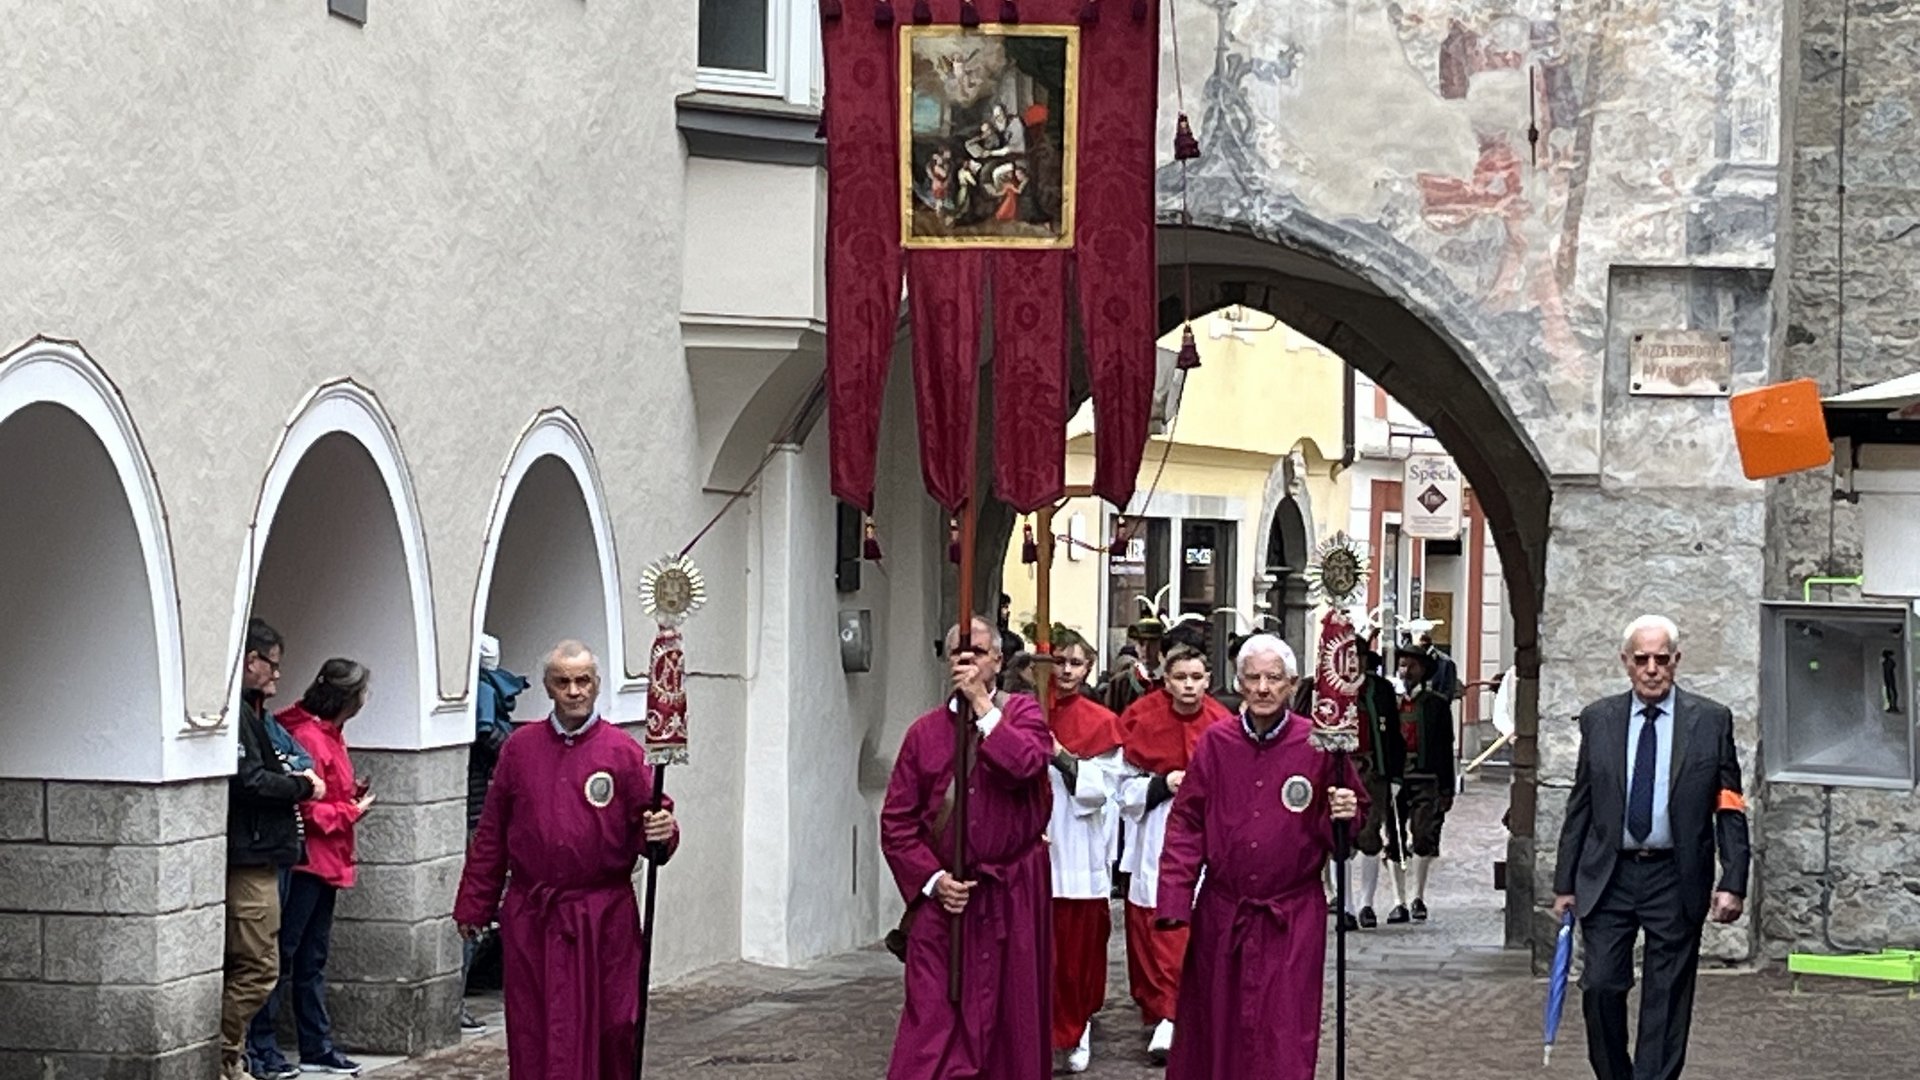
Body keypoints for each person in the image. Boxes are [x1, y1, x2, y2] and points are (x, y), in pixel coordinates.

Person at [452, 640, 680, 1079]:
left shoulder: (623, 753)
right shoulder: (520, 749)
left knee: (613, 1025)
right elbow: (493, 832)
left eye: (583, 681)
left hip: (603, 920)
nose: (574, 691)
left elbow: (653, 821)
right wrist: (474, 902)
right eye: (563, 682)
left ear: (596, 686)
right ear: (548, 688)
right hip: (535, 916)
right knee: (536, 1027)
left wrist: (662, 834)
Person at [1154, 633, 1364, 1079]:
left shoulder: (1321, 745)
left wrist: (1344, 813)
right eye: (1253, 678)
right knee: (1216, 1031)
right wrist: (1174, 900)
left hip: (1291, 916)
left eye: (1274, 678)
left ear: (1291, 685)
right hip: (1224, 912)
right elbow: (1187, 823)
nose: (1263, 688)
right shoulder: (1215, 743)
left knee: (1283, 1033)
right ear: (1239, 683)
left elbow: (1346, 830)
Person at [1554, 615, 1750, 1080]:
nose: (1652, 669)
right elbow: (1580, 804)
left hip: (1675, 873)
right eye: (1641, 659)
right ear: (1626, 663)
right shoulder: (1599, 720)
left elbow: (1730, 804)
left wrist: (1733, 879)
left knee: (1666, 996)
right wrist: (1564, 883)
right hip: (1609, 874)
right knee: (1600, 985)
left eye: (1662, 659)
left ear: (1676, 661)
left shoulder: (1710, 721)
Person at [881, 616, 1052, 1080]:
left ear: (998, 659)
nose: (967, 660)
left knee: (1009, 1027)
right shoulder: (923, 734)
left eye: (977, 652)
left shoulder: (1025, 716)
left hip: (1010, 898)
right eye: (958, 652)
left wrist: (981, 704)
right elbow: (897, 823)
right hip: (946, 908)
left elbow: (1027, 766)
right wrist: (934, 882)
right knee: (931, 1030)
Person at [247, 660, 376, 1078]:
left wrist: (348, 798)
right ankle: (265, 1045)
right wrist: (349, 810)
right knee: (286, 957)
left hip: (327, 862)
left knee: (310, 959)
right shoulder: (310, 736)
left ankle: (315, 1045)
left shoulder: (325, 734)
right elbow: (308, 805)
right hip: (309, 862)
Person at [1115, 644, 1233, 1062]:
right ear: (1166, 681)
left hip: (1205, 833)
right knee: (1156, 918)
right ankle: (1164, 1011)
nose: (1188, 685)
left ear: (1208, 681)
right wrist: (1162, 784)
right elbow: (1121, 787)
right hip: (1156, 829)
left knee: (1198, 919)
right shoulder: (1142, 718)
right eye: (1179, 677)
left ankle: (1187, 1009)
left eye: (1195, 678)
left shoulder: (1223, 724)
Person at [221, 618, 324, 1080]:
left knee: (260, 961)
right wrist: (300, 785)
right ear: (251, 662)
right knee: (260, 966)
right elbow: (251, 780)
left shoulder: (252, 711)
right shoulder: (242, 715)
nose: (278, 676)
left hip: (264, 851)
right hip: (252, 853)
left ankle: (231, 1055)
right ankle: (225, 1054)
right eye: (273, 666)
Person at [1042, 632, 1125, 1073]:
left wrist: (1059, 755)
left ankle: (1076, 1028)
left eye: (1076, 662)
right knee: (1039, 954)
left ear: (1090, 667)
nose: (1067, 670)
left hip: (1078, 846)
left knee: (1076, 955)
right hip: (1035, 844)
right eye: (1059, 660)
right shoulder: (1027, 713)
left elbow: (1102, 788)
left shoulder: (1100, 721)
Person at [459, 633, 529, 1034]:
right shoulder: (487, 693)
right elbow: (489, 735)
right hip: (475, 808)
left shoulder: (484, 690)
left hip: (477, 807)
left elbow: (489, 735)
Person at [1397, 647, 1454, 922]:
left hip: (1426, 777)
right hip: (1396, 778)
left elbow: (1446, 748)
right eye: (1402, 666)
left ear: (1423, 670)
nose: (1405, 671)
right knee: (1394, 838)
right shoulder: (1392, 703)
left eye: (1411, 666)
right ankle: (1398, 900)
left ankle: (1417, 896)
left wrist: (1447, 788)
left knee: (1422, 836)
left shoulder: (1437, 704)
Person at [1352, 650, 1409, 928]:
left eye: (1358, 656)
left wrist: (1396, 775)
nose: (1354, 661)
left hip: (1374, 769)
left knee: (1370, 834)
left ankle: (1366, 903)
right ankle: (1346, 905)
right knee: (1339, 839)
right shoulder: (1327, 688)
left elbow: (1394, 734)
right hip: (1340, 768)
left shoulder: (1381, 690)